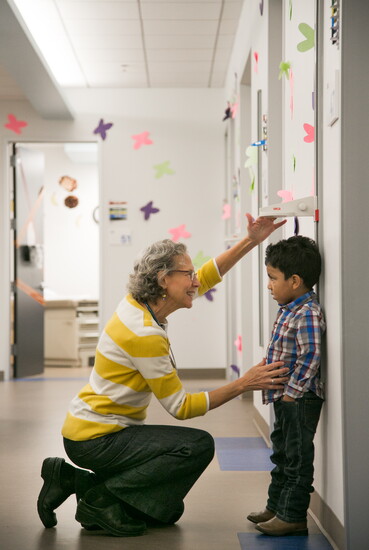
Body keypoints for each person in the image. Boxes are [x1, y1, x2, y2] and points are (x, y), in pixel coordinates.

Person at [37, 214, 288, 538]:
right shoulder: (143, 333)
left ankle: (72, 480)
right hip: (95, 439)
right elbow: (181, 407)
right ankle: (99, 500)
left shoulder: (140, 303)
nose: (195, 281)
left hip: (96, 431)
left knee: (167, 509)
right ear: (162, 279)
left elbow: (208, 275)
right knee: (196, 446)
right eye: (187, 274)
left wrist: (252, 240)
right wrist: (245, 383)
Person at [247, 235, 326, 537]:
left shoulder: (307, 312)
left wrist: (292, 393)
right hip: (285, 397)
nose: (268, 285)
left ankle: (293, 515)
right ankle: (276, 505)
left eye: (272, 278)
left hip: (299, 399)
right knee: (281, 452)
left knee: (296, 457)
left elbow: (311, 355)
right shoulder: (290, 308)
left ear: (295, 280)